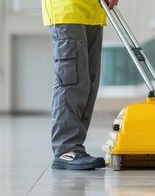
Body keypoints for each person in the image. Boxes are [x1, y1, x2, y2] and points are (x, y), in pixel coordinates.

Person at [43, 0, 118, 170]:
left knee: (89, 83)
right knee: (72, 80)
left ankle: (75, 147)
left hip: (93, 11)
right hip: (67, 9)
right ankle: (66, 149)